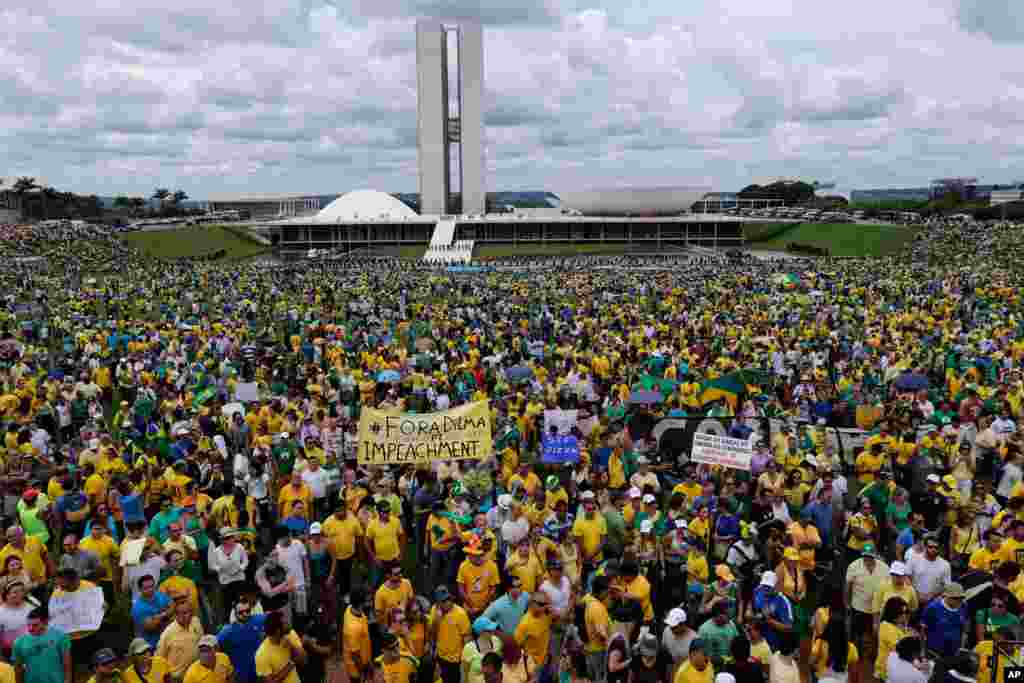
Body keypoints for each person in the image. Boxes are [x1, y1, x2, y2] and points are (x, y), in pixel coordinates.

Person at [11, 607, 70, 683]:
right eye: (28, 625)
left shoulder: (61, 637)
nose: (30, 628)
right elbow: (18, 668)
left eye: (35, 625)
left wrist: (67, 680)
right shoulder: (19, 642)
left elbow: (66, 663)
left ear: (46, 622)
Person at [216, 597, 267, 683]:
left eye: (247, 611)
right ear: (235, 613)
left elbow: (275, 618)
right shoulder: (227, 631)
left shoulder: (258, 620)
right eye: (240, 612)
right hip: (241, 676)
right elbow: (214, 645)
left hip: (260, 673)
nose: (245, 614)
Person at [429, 585, 471, 683]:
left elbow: (467, 638)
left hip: (455, 660)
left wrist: (465, 659)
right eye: (443, 601)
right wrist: (436, 621)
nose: (448, 603)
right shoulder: (434, 610)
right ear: (438, 603)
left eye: (448, 599)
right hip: (440, 657)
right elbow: (431, 633)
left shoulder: (460, 614)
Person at [155, 600, 203, 682]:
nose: (184, 616)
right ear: (175, 615)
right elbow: (159, 659)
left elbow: (201, 642)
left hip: (197, 673)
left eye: (186, 612)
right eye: (180, 613)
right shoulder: (168, 633)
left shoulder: (196, 622)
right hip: (178, 678)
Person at [919, 582, 969, 660]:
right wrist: (922, 652)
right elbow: (922, 630)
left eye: (961, 598)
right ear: (946, 596)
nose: (959, 600)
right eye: (955, 598)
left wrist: (961, 649)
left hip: (954, 653)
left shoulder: (963, 606)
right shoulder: (932, 608)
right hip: (934, 653)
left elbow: (964, 630)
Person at [254, 611, 305, 683]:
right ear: (278, 631)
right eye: (285, 623)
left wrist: (294, 647)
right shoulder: (261, 654)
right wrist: (291, 663)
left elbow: (304, 661)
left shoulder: (290, 633)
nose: (288, 624)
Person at [463, 617, 502, 683]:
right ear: (480, 632)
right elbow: (466, 670)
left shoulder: (496, 641)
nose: (492, 631)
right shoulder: (469, 648)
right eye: (489, 631)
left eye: (492, 629)